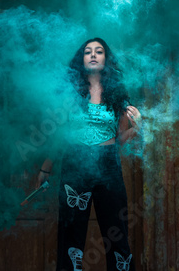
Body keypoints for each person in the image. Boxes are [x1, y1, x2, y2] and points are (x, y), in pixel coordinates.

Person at [37, 38, 142, 271]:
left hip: (108, 165)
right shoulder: (69, 93)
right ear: (81, 59)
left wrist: (138, 127)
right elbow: (59, 136)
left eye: (99, 51)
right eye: (88, 52)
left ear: (106, 59)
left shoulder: (117, 95)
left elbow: (120, 139)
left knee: (117, 232)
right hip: (75, 163)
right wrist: (46, 167)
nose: (93, 55)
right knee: (71, 234)